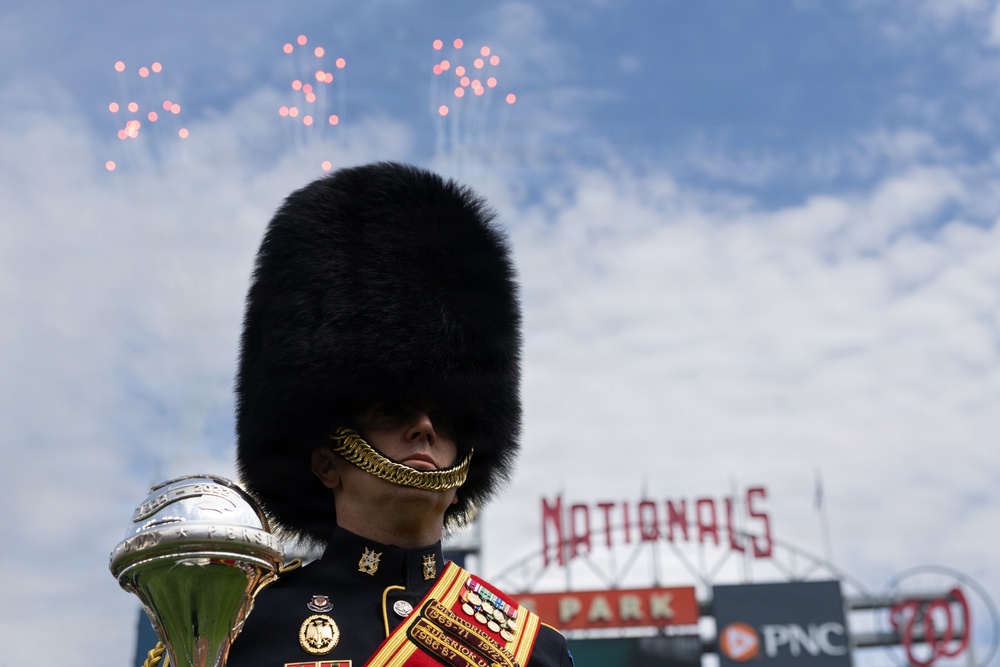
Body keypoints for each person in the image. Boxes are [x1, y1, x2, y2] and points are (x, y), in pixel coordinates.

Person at [226, 162, 574, 667]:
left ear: (462, 473)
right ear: (327, 461)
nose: (426, 428)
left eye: (449, 417)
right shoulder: (245, 628)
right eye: (392, 410)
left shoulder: (534, 651)